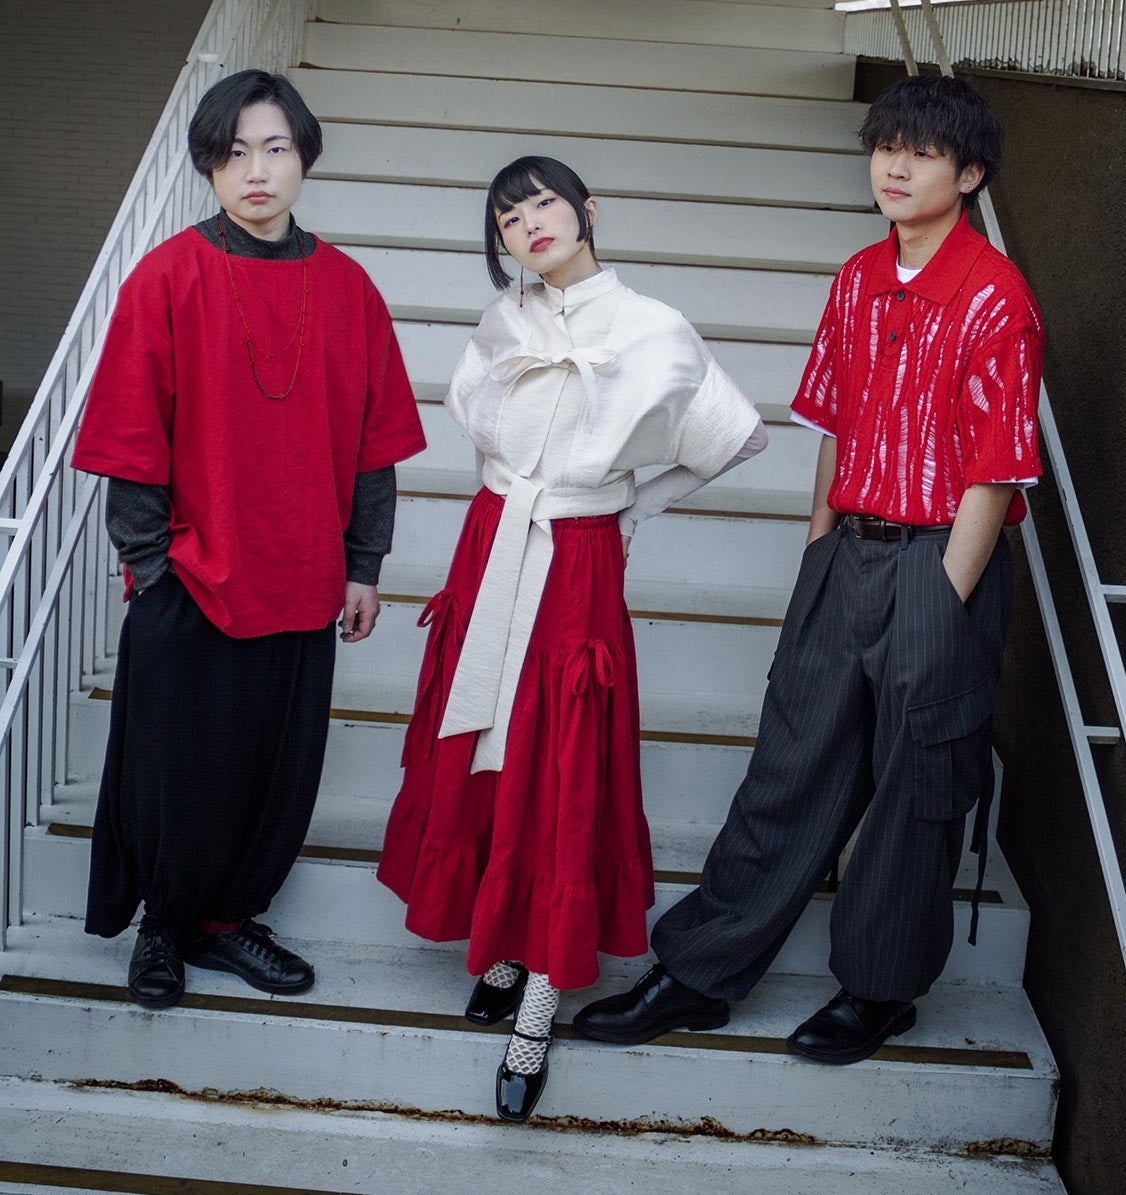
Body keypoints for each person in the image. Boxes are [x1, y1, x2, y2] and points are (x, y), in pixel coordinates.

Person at [574, 73, 1044, 1066]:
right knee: (791, 764)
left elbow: (996, 469)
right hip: (846, 555)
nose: (895, 167)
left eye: (921, 153)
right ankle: (701, 972)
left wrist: (942, 594)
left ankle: (877, 991)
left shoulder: (996, 297)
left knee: (917, 784)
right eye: (886, 147)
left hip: (938, 565)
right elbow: (835, 424)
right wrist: (820, 544)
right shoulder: (858, 277)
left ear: (968, 174)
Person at [377, 156, 765, 1122]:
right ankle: (504, 949)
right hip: (494, 539)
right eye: (509, 218)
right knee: (491, 738)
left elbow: (738, 434)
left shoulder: (651, 325)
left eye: (544, 203)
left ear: (588, 209)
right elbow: (481, 425)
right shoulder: (503, 322)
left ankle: (539, 999)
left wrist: (633, 507)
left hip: (578, 555)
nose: (530, 225)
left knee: (562, 755)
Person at [72, 69, 426, 1011]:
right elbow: (130, 439)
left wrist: (364, 566)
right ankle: (163, 926)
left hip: (305, 575)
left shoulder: (348, 289)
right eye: (234, 154)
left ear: (304, 157)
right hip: (191, 573)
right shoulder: (167, 277)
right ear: (209, 166)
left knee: (273, 765)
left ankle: (225, 922)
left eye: (275, 149)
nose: (256, 171)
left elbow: (374, 446)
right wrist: (151, 567)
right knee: (176, 765)